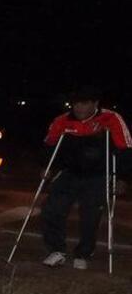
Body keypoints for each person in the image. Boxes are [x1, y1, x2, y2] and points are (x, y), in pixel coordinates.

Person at [41, 87, 131, 269]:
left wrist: (123, 178)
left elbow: (125, 148)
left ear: (95, 104)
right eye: (76, 104)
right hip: (70, 172)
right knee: (52, 209)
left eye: (85, 103)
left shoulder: (111, 118)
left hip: (98, 175)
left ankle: (84, 252)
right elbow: (50, 145)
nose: (80, 108)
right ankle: (56, 250)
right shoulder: (62, 120)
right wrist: (46, 167)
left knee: (90, 215)